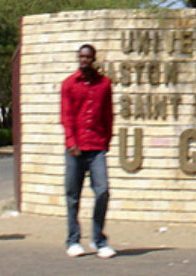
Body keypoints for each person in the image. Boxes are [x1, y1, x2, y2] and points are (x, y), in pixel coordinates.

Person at [60, 44, 116, 258]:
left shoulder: (104, 84)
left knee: (102, 191)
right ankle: (73, 240)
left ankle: (98, 240)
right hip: (75, 147)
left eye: (88, 57)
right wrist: (71, 142)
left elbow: (108, 114)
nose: (84, 60)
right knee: (73, 195)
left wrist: (106, 140)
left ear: (93, 59)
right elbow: (66, 116)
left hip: (96, 146)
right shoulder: (69, 84)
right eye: (81, 57)